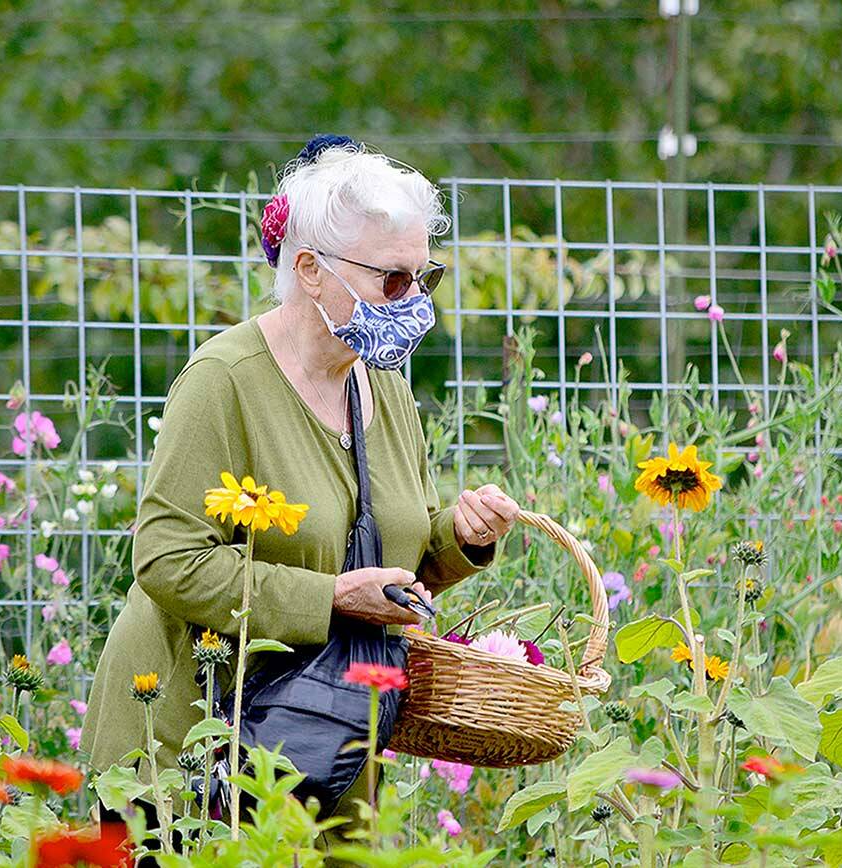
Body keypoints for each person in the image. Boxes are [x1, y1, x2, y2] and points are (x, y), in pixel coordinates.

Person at [82, 134, 519, 862]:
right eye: (391, 279)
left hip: (330, 747)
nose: (411, 300)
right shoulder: (225, 380)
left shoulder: (381, 385)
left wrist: (463, 536)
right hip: (193, 748)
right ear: (311, 270)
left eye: (425, 277)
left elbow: (388, 558)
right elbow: (166, 560)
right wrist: (330, 598)